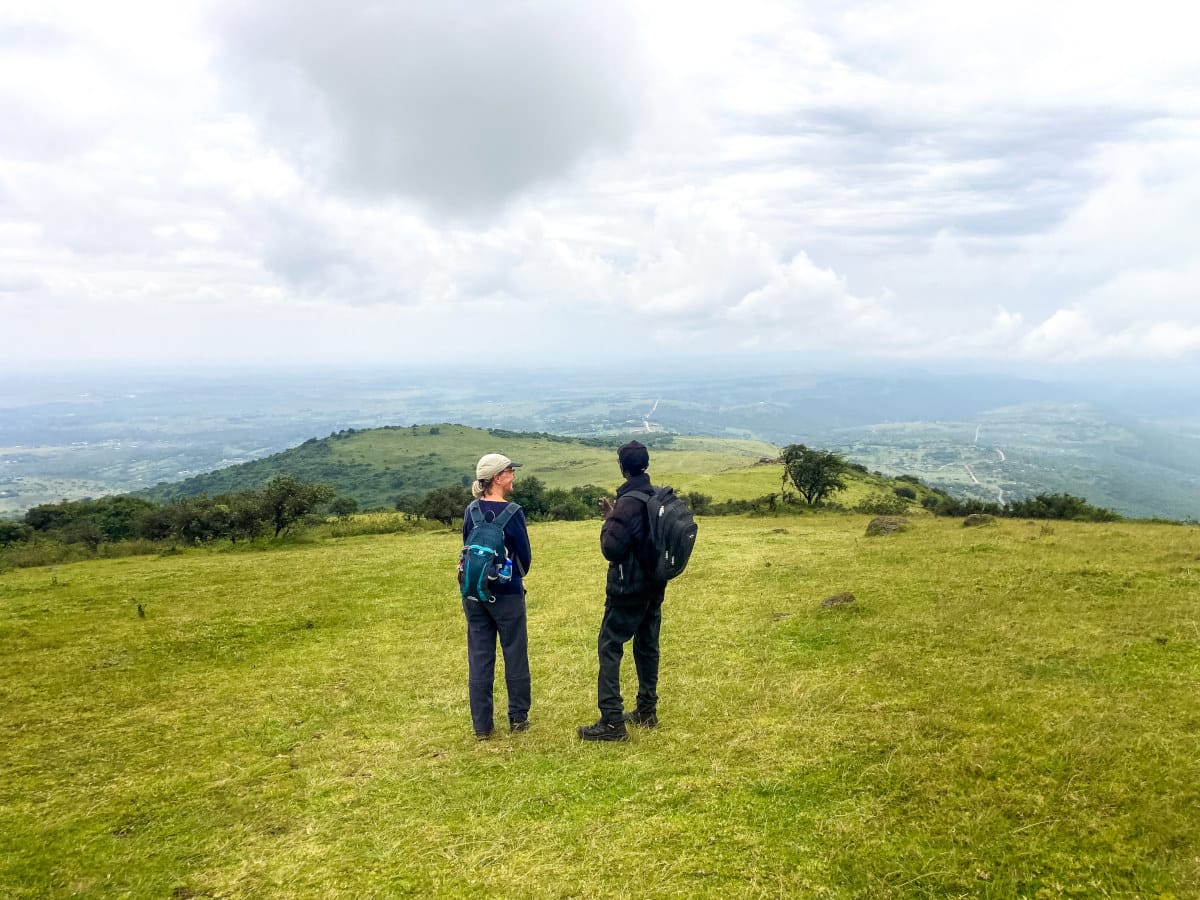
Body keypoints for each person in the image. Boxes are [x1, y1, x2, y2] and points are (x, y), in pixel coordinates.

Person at [578, 440, 665, 742]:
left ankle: (612, 722)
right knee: (647, 645)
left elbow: (611, 548)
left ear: (623, 467)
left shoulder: (628, 503)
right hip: (654, 586)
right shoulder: (654, 495)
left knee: (610, 645)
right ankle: (646, 710)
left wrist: (609, 520)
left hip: (628, 588)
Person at [462, 453, 532, 740]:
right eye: (510, 471)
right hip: (507, 594)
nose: (513, 475)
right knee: (514, 652)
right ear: (498, 478)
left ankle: (482, 726)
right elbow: (524, 560)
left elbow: (467, 546)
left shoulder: (471, 511)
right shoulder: (513, 512)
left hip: (473, 593)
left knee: (480, 657)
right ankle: (518, 718)